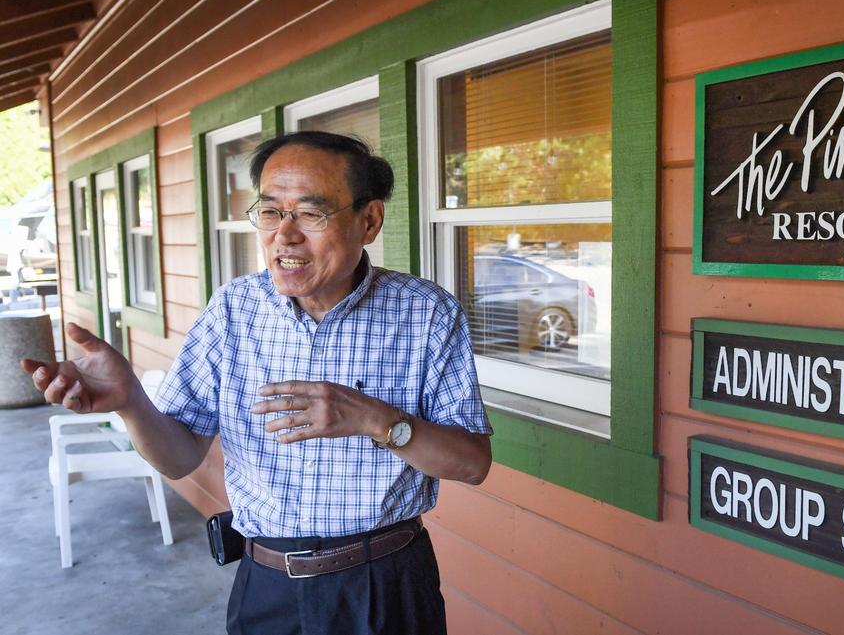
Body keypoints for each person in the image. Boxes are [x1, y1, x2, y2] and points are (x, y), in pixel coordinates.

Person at [22, 131, 492, 635]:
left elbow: (472, 464)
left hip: (384, 585)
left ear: (369, 220)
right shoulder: (233, 310)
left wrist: (375, 419)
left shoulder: (425, 313)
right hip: (266, 585)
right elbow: (180, 458)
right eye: (270, 212)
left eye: (311, 214)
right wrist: (131, 401)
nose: (285, 235)